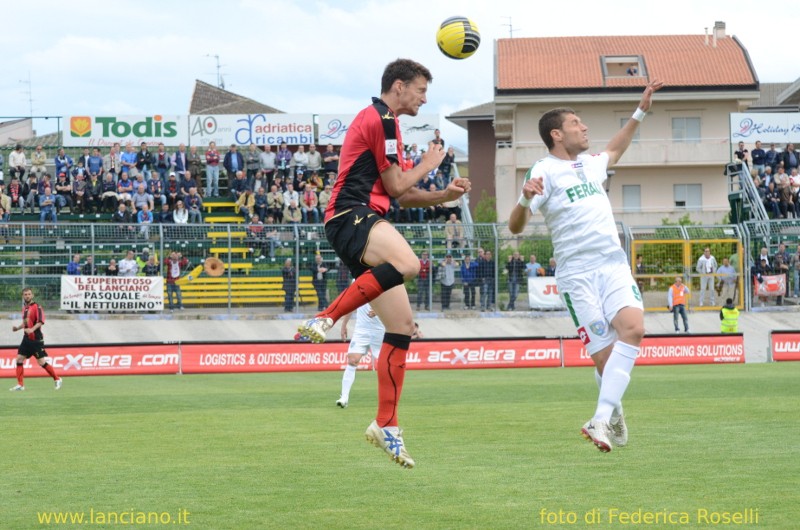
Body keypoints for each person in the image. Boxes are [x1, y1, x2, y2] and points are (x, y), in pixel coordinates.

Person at [296, 59, 470, 469]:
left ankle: (386, 425)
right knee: (408, 262)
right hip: (349, 214)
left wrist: (443, 195)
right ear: (399, 86)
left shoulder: (386, 124)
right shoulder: (383, 120)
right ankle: (326, 316)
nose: (424, 98)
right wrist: (429, 165)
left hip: (360, 219)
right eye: (421, 90)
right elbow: (395, 186)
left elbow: (403, 195)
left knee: (402, 327)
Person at [508, 79, 663, 453]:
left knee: (635, 329)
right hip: (577, 276)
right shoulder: (542, 171)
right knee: (605, 359)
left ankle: (599, 417)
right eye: (577, 122)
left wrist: (641, 110)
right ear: (557, 134)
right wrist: (526, 201)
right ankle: (614, 413)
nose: (585, 127)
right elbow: (514, 226)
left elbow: (616, 146)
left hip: (612, 265)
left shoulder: (592, 165)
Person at [10, 287, 62, 391]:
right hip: (26, 339)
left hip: (36, 340)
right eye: (25, 294)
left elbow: (41, 321)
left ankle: (57, 379)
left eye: (29, 294)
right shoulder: (24, 308)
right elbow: (25, 322)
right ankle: (20, 385)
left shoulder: (37, 307)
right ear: (23, 296)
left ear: (32, 295)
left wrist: (32, 329)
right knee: (19, 359)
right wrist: (17, 328)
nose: (27, 296)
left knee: (41, 362)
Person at [336, 302, 384, 409]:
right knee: (353, 360)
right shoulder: (356, 284)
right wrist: (344, 325)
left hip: (380, 330)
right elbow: (351, 303)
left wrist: (379, 311)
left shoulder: (385, 285)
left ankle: (389, 398)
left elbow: (393, 303)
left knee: (385, 364)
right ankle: (344, 398)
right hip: (361, 329)